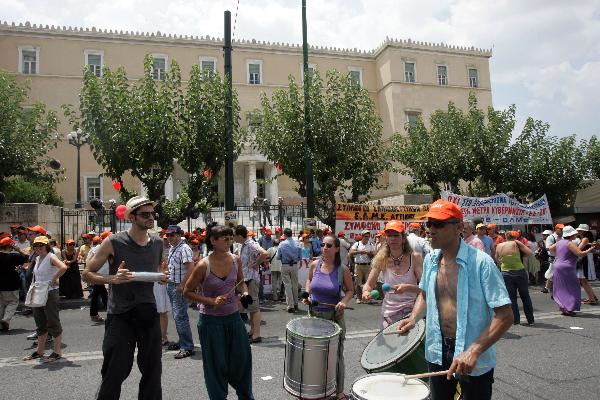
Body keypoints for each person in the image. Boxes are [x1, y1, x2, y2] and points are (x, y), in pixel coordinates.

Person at [397, 199, 513, 400]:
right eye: (429, 223)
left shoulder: (481, 263)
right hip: (437, 349)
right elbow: (425, 293)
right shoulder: (431, 259)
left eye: (439, 224)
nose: (431, 229)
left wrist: (474, 351)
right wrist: (414, 317)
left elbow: (505, 316)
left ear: (459, 227)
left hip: (472, 352)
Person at [83, 196, 167, 400]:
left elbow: (158, 271)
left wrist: (163, 277)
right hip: (120, 313)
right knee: (115, 370)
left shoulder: (157, 242)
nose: (151, 218)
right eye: (145, 214)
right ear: (131, 217)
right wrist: (113, 279)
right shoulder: (113, 241)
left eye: (152, 213)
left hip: (147, 311)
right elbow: (87, 273)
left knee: (153, 370)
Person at [183, 224, 254, 400]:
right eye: (226, 239)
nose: (230, 242)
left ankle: (245, 396)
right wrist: (210, 301)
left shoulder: (235, 259)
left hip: (233, 319)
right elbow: (187, 292)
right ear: (213, 241)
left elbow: (241, 282)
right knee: (215, 366)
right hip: (210, 322)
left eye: (231, 238)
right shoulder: (202, 265)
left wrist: (244, 293)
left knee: (242, 361)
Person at [303, 234, 353, 400]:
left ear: (337, 249)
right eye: (323, 245)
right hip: (314, 316)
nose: (325, 248)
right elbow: (309, 281)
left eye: (329, 245)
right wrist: (307, 294)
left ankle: (339, 391)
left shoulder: (342, 269)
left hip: (333, 318)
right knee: (314, 354)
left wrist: (344, 301)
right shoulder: (315, 264)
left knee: (336, 356)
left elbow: (351, 290)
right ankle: (314, 387)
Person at [362, 220, 423, 328]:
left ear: (403, 238)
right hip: (388, 314)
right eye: (389, 235)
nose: (393, 238)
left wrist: (408, 287)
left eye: (396, 235)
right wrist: (366, 292)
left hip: (411, 313)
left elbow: (425, 289)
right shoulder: (382, 258)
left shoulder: (415, 257)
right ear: (386, 239)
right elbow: (369, 284)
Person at [22, 236, 68, 363]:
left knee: (52, 321)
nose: (38, 248)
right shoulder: (37, 258)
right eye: (36, 246)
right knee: (40, 321)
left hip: (50, 293)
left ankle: (57, 352)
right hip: (39, 292)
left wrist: (53, 279)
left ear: (47, 246)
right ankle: (40, 351)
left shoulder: (50, 256)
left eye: (41, 246)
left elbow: (63, 267)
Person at [548, 226, 597, 316]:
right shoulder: (569, 243)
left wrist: (561, 254)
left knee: (561, 287)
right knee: (572, 287)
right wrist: (590, 249)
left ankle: (563, 307)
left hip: (558, 265)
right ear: (571, 235)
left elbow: (550, 248)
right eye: (574, 233)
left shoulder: (560, 242)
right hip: (567, 267)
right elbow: (580, 254)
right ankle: (569, 308)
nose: (576, 234)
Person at [164, 224, 196, 359]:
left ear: (179, 235)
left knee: (180, 316)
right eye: (168, 235)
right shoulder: (173, 248)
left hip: (178, 286)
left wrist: (183, 286)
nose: (169, 238)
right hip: (172, 284)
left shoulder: (184, 249)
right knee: (177, 315)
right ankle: (183, 341)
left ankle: (187, 346)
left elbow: (191, 269)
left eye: (172, 235)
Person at [234, 224, 267, 343]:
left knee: (254, 308)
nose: (233, 238)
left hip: (251, 279)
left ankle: (256, 334)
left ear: (239, 235)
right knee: (250, 307)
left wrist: (257, 264)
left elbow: (264, 253)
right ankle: (253, 332)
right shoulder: (245, 244)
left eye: (234, 235)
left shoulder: (251, 243)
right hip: (247, 279)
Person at [495, 231, 535, 325]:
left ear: (505, 236)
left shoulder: (499, 246)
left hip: (506, 273)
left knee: (512, 298)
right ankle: (530, 320)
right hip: (519, 272)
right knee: (525, 297)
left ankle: (516, 320)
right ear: (515, 237)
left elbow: (497, 260)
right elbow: (530, 253)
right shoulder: (516, 243)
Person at [0, 237, 29, 331]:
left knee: (1, 304)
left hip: (1, 285)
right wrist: (18, 249)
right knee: (13, 302)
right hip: (12, 284)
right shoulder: (14, 256)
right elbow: (27, 257)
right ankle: (6, 319)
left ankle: (2, 324)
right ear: (9, 246)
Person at [86, 233, 111, 323]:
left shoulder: (100, 248)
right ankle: (111, 313)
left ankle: (94, 314)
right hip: (98, 274)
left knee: (97, 293)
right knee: (102, 293)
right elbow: (89, 260)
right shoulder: (99, 248)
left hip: (100, 274)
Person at [277, 228, 302, 312]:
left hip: (285, 265)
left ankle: (290, 305)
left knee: (287, 285)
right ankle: (295, 304)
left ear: (284, 234)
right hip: (294, 265)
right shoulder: (297, 243)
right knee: (295, 285)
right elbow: (300, 257)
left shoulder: (282, 244)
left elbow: (278, 257)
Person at [348, 230, 375, 304]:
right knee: (357, 283)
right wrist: (360, 252)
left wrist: (368, 253)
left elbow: (374, 254)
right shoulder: (357, 244)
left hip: (368, 265)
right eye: (366, 236)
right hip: (358, 265)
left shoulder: (371, 244)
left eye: (368, 236)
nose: (367, 238)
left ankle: (367, 298)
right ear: (362, 236)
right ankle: (359, 298)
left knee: (368, 283)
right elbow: (351, 253)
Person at [575, 224, 598, 304]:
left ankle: (592, 299)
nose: (578, 231)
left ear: (584, 231)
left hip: (585, 259)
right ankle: (593, 297)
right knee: (583, 280)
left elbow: (578, 249)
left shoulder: (585, 239)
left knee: (583, 280)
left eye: (580, 230)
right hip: (584, 259)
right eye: (578, 230)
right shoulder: (583, 238)